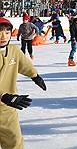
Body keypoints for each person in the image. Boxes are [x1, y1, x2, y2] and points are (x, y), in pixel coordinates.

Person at [0, 17, 47, 149]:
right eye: (0, 32)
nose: (3, 36)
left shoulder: (14, 50)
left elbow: (24, 64)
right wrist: (3, 96)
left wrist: (35, 76)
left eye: (7, 32)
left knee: (14, 141)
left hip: (7, 108)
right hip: (6, 99)